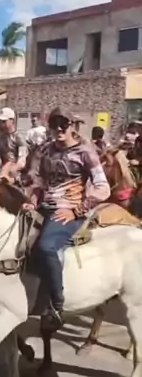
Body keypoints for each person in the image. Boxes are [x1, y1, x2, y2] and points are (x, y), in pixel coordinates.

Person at [23, 107, 110, 328]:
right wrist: (32, 201)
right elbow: (40, 183)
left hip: (69, 211)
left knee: (46, 247)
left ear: (72, 125)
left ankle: (56, 305)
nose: (59, 129)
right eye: (55, 124)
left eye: (64, 124)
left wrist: (76, 211)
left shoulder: (85, 152)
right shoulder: (45, 150)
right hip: (45, 207)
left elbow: (103, 188)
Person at [0, 107, 27, 179]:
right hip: (2, 171)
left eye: (4, 121)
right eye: (0, 122)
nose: (1, 124)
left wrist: (13, 168)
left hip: (15, 173)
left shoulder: (18, 138)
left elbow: (22, 160)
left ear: (12, 121)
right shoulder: (1, 137)